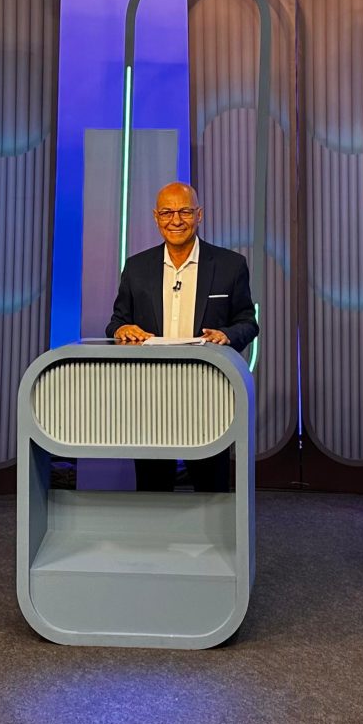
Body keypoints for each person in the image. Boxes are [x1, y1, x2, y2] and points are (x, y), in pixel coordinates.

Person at [107, 182, 258, 492]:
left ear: (198, 215)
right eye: (166, 212)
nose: (175, 220)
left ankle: (215, 540)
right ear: (156, 217)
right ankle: (155, 539)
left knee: (210, 486)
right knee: (152, 487)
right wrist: (121, 330)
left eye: (184, 211)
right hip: (151, 395)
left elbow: (247, 321)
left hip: (207, 393)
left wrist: (227, 335)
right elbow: (117, 321)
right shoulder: (136, 267)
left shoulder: (230, 265)